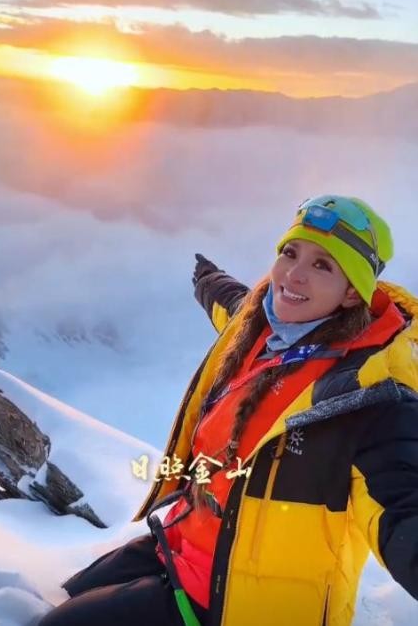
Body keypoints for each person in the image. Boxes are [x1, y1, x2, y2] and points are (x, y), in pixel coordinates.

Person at [38, 194, 418, 626]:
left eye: (322, 265)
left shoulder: (374, 398)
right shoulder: (260, 328)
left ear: (352, 293)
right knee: (58, 598)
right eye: (290, 252)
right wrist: (208, 278)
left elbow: (403, 508)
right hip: (178, 545)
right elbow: (230, 302)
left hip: (233, 602)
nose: (293, 274)